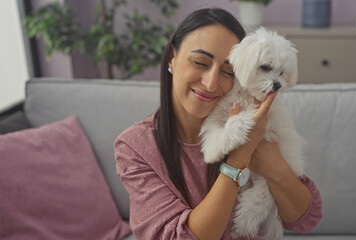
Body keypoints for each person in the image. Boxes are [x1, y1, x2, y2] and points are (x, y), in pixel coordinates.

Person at [114, 8, 322, 240]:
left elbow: (306, 218)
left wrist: (274, 166)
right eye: (200, 62)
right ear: (172, 58)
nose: (211, 83)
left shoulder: (258, 119)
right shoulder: (135, 147)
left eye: (228, 72)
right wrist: (239, 158)